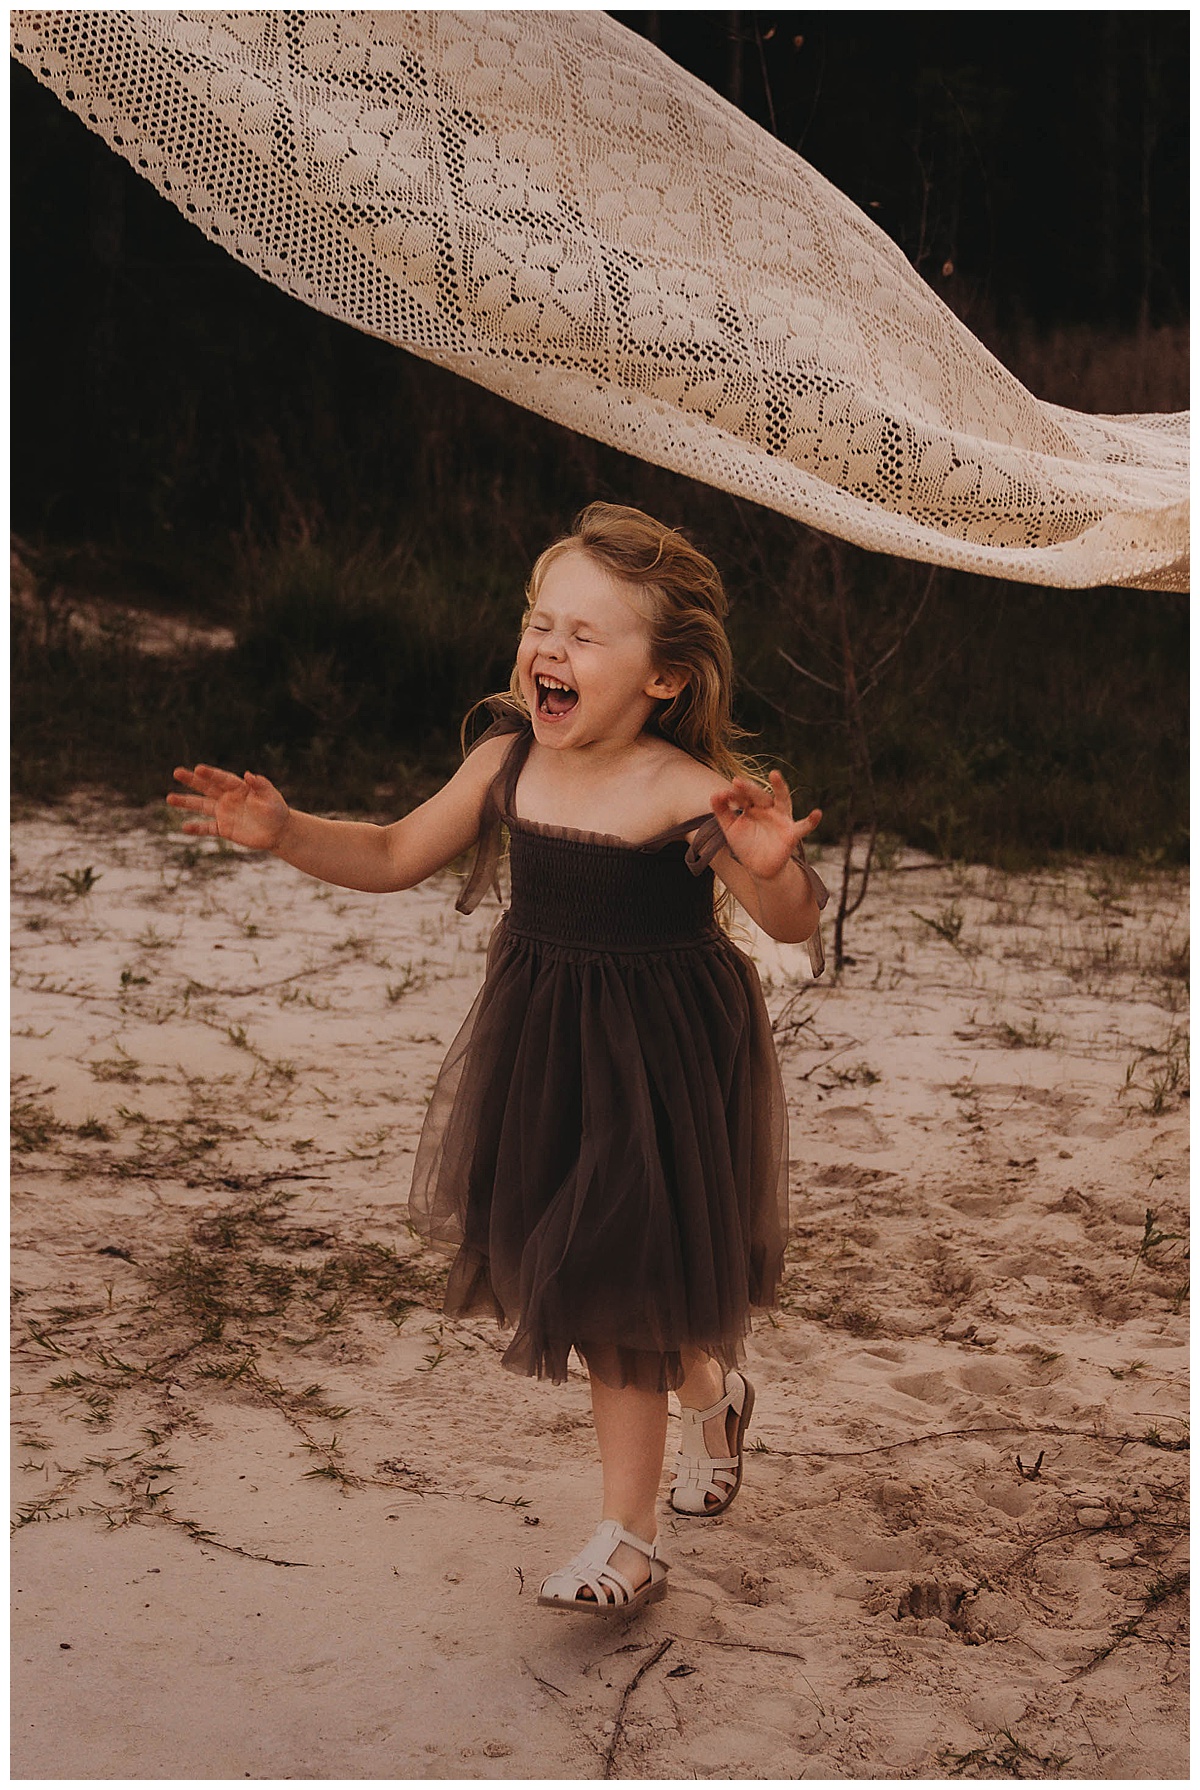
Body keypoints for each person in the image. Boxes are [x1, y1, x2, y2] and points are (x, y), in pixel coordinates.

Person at [168, 502, 825, 1616]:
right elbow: (388, 852)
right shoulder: (504, 759)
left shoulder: (681, 787)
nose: (548, 651)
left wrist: (770, 865)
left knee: (615, 1290)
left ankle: (630, 1538)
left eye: (585, 635)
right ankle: (712, 1392)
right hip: (549, 1047)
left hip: (662, 1057)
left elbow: (791, 915)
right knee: (616, 1277)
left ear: (664, 677)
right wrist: (287, 832)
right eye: (540, 622)